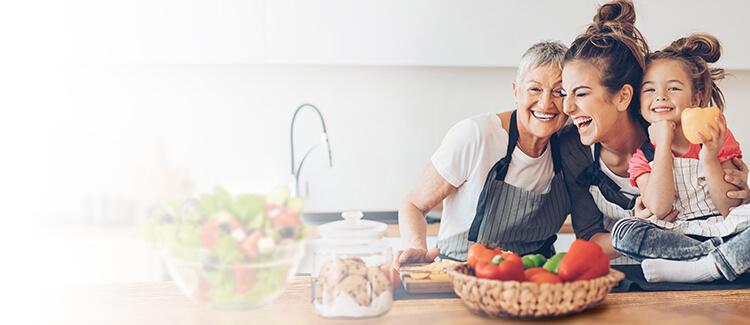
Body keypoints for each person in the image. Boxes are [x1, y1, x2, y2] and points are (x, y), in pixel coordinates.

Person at [560, 0, 750, 279]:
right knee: (625, 230)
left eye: (582, 93)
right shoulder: (576, 146)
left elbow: (730, 205)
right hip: (646, 262)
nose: (567, 109)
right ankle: (707, 263)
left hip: (713, 234)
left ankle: (707, 265)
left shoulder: (682, 131)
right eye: (566, 94)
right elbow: (591, 238)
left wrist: (732, 183)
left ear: (624, 96)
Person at [396, 41, 572, 265]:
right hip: (462, 272)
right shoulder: (476, 136)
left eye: (560, 92)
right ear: (516, 92)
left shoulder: (572, 146)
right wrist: (416, 248)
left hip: (536, 278)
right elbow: (413, 203)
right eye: (535, 89)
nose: (546, 103)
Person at [611, 34, 750, 283]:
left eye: (673, 88)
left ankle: (702, 268)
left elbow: (730, 209)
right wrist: (663, 144)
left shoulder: (716, 137)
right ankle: (716, 260)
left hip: (723, 227)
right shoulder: (643, 156)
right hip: (677, 236)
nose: (661, 96)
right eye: (650, 89)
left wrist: (709, 157)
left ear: (695, 98)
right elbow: (660, 208)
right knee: (623, 232)